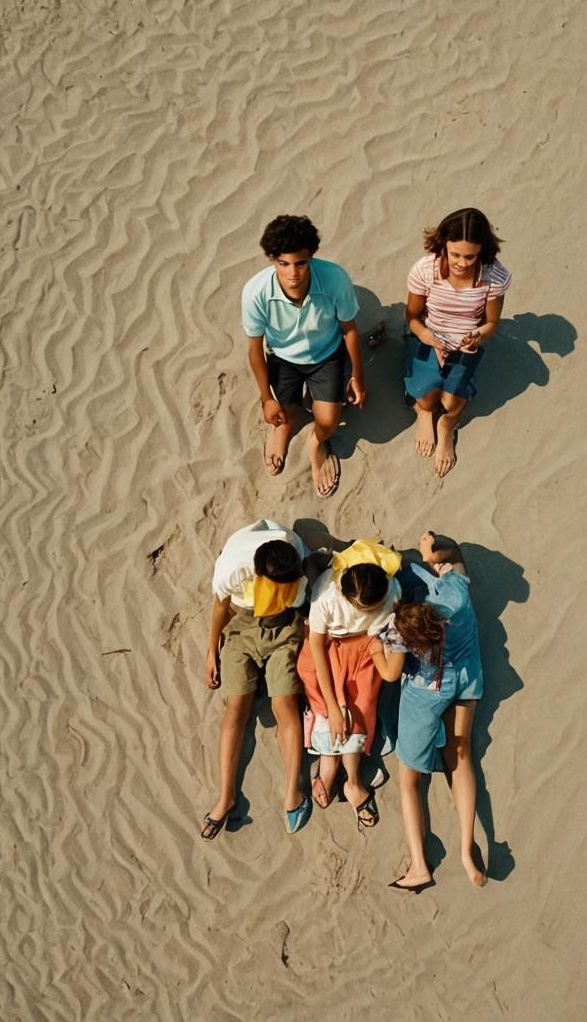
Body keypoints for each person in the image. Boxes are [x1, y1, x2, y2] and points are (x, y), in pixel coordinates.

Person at [369, 531, 486, 891]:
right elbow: (458, 554)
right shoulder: (457, 593)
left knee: (409, 781)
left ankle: (420, 866)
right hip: (466, 677)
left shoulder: (401, 634)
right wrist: (433, 550)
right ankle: (467, 849)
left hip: (426, 692)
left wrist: (375, 647)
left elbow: (390, 673)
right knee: (460, 757)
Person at [201, 519, 312, 840]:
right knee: (236, 707)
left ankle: (293, 792)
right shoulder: (233, 570)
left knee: (285, 704)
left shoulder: (293, 557)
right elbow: (221, 607)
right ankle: (226, 796)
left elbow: (300, 604)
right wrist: (211, 651)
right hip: (243, 624)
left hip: (284, 626)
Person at [242, 214, 365, 497]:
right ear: (272, 259)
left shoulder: (335, 279)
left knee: (328, 421)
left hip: (327, 355)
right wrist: (266, 399)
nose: (293, 273)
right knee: (282, 413)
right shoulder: (255, 293)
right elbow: (254, 349)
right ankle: (284, 428)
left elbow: (350, 330)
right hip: (283, 356)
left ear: (311, 257)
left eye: (301, 263)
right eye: (283, 264)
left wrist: (358, 376)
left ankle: (316, 443)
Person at [296, 546, 402, 829]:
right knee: (324, 699)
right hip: (327, 644)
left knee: (360, 702)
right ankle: (330, 763)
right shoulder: (326, 595)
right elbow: (316, 646)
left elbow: (385, 636)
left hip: (365, 647)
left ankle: (351, 781)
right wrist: (333, 706)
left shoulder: (390, 592)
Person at [404, 208, 512, 478]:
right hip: (430, 338)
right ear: (443, 245)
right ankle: (424, 413)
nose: (461, 263)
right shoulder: (425, 270)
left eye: (470, 256)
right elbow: (412, 317)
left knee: (451, 403)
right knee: (426, 398)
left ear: (482, 251)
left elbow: (491, 322)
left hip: (465, 345)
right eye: (455, 255)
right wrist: (424, 335)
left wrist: (479, 336)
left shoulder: (494, 276)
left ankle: (447, 426)